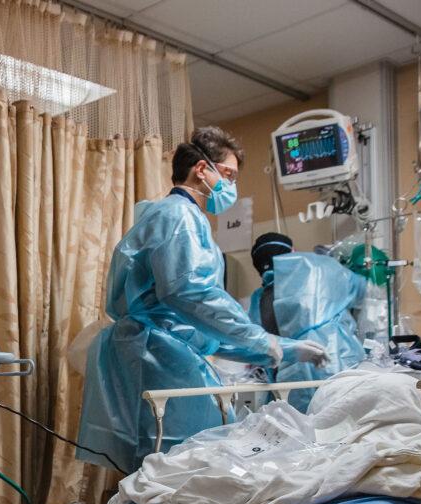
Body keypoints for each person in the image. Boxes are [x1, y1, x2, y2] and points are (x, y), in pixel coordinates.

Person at [76, 126, 328, 475]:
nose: (231, 187)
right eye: (228, 174)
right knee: (176, 468)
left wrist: (284, 347)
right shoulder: (177, 216)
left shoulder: (176, 219)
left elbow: (198, 330)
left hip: (162, 351)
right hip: (158, 359)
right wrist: (263, 340)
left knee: (169, 470)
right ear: (201, 169)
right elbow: (193, 294)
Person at [247, 232, 366, 410]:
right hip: (337, 366)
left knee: (307, 433)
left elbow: (258, 346)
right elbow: (363, 289)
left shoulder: (259, 300)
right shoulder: (319, 268)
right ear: (292, 251)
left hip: (292, 385)